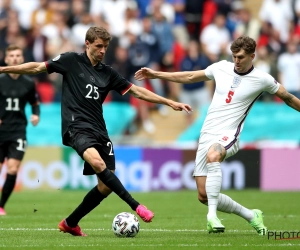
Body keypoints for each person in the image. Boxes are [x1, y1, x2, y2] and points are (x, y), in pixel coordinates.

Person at [0, 26, 192, 236]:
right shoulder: (71, 60)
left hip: (99, 130)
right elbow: (36, 68)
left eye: (106, 47)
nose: (102, 51)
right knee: (98, 163)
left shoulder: (108, 73)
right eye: (99, 46)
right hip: (76, 127)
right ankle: (136, 205)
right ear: (88, 44)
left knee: (105, 185)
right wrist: (3, 69)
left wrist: (168, 102)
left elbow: (137, 91)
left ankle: (71, 222)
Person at [134, 36, 300, 235]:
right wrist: (156, 74)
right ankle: (251, 215)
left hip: (229, 135)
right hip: (206, 133)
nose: (236, 61)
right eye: (234, 56)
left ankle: (212, 217)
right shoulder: (221, 67)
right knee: (203, 195)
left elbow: (288, 97)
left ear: (252, 56)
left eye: (241, 57)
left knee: (214, 156)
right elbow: (189, 77)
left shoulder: (262, 79)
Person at [0, 44, 40, 215]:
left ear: (22, 59)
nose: (15, 58)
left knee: (13, 168)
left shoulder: (29, 82)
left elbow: (34, 103)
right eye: (12, 56)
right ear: (6, 59)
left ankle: (1, 205)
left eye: (18, 55)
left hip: (18, 130)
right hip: (1, 131)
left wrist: (36, 115)